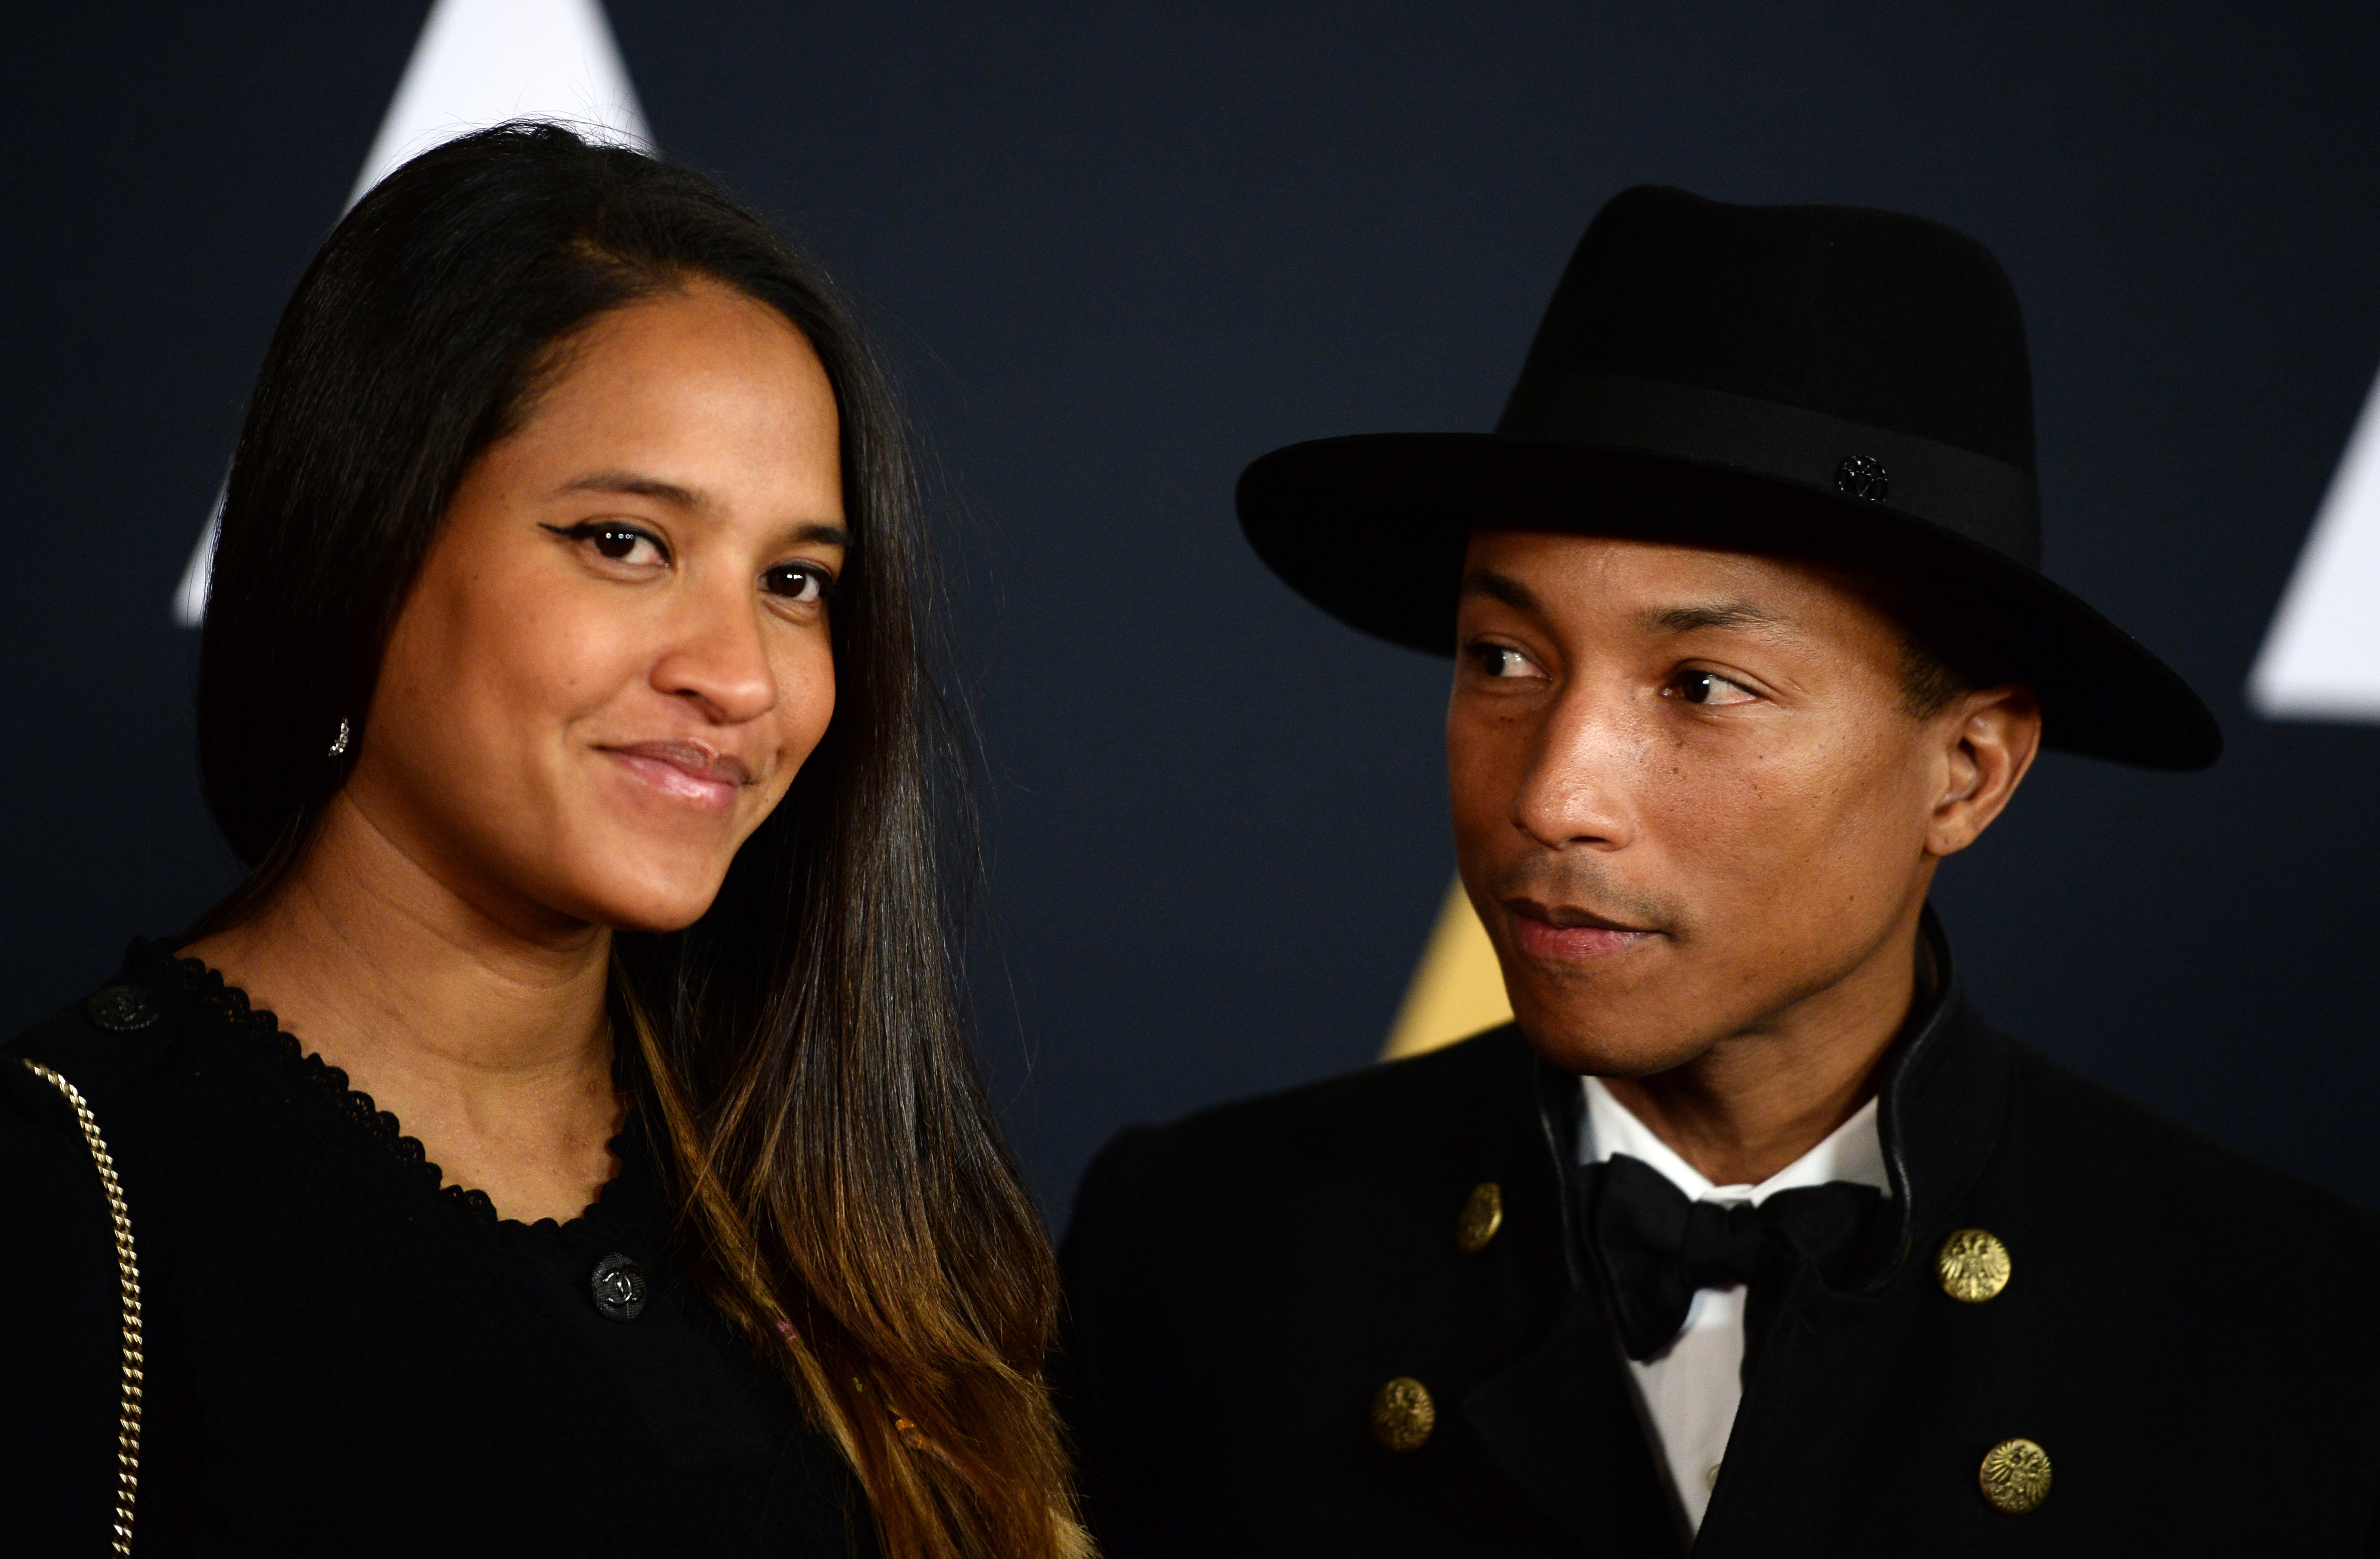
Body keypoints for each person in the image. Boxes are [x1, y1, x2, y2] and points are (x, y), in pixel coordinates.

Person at [1055, 186, 2380, 1555]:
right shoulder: (1196, 1251)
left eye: (1702, 684)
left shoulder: (2298, 1326)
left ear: (1967, 771)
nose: (1554, 794)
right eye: (1502, 660)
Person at [0, 124, 1083, 1559]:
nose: (741, 674)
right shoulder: (63, 1204)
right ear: (366, 535)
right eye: (624, 542)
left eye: (798, 580)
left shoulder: (833, 1193)